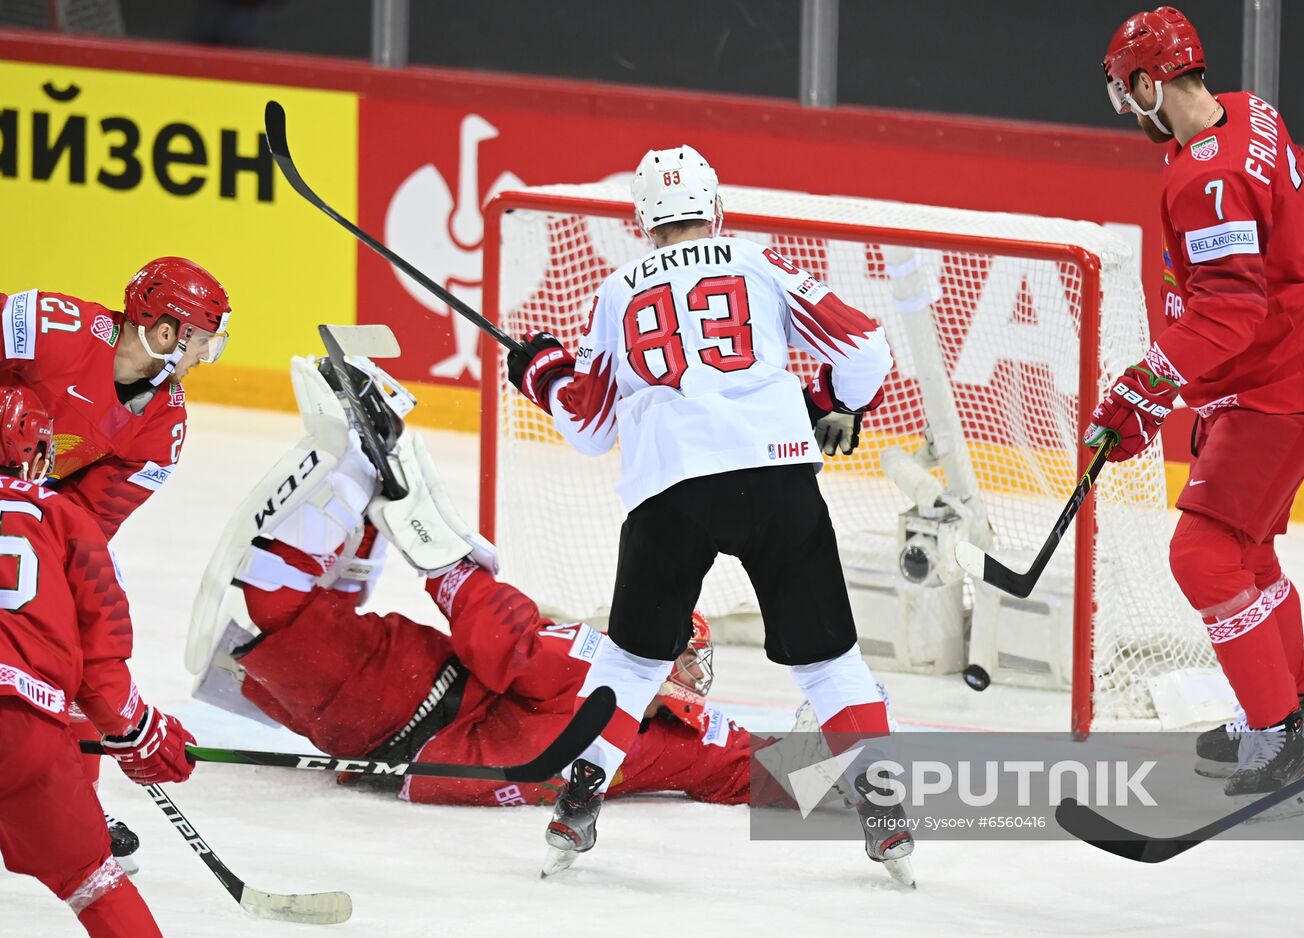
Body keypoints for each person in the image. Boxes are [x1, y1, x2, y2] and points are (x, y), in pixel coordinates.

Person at [506, 145, 913, 883]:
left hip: (672, 487)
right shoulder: (757, 264)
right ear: (714, 207)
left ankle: (577, 803)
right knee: (829, 663)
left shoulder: (616, 290)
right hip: (775, 473)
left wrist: (542, 370)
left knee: (633, 661)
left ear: (642, 220)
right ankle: (884, 813)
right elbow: (866, 347)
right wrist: (836, 404)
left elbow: (589, 427)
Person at [197, 356, 755, 809]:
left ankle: (359, 495)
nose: (692, 684)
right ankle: (354, 479)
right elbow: (507, 643)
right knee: (283, 617)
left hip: (398, 727)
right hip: (417, 704)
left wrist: (842, 769)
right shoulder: (598, 670)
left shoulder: (682, 739)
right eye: (685, 663)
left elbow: (763, 772)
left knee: (286, 629)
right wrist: (449, 568)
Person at [1091, 7, 1304, 812]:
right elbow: (1246, 291)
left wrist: (1145, 384)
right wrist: (1181, 384)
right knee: (1243, 551)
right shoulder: (1251, 112)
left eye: (1125, 94)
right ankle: (1295, 709)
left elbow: (1229, 310)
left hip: (1283, 383)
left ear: (1148, 83)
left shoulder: (1205, 177)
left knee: (1202, 557)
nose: (1127, 112)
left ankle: (1277, 737)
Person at [0, 257, 231, 870]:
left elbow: (84, 528)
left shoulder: (166, 424)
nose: (204, 358)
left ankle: (70, 805)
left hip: (12, 514)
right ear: (164, 333)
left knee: (74, 623)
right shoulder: (51, 325)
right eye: (201, 342)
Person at [0, 385, 198, 938]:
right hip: (20, 733)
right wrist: (143, 735)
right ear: (38, 455)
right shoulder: (66, 518)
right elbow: (101, 673)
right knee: (96, 885)